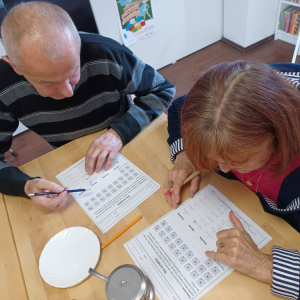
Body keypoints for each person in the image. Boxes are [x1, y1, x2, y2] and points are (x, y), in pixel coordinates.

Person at [0, 2, 175, 212]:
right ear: (14, 66)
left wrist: (119, 133)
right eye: (48, 83)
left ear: (77, 43)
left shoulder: (105, 52)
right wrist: (26, 186)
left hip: (128, 142)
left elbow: (162, 90)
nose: (68, 92)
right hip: (72, 161)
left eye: (73, 71)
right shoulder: (4, 87)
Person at [164, 61, 300, 299]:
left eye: (235, 160)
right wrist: (188, 156)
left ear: (274, 135)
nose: (220, 167)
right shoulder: (239, 88)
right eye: (213, 158)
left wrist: (263, 264)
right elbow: (179, 107)